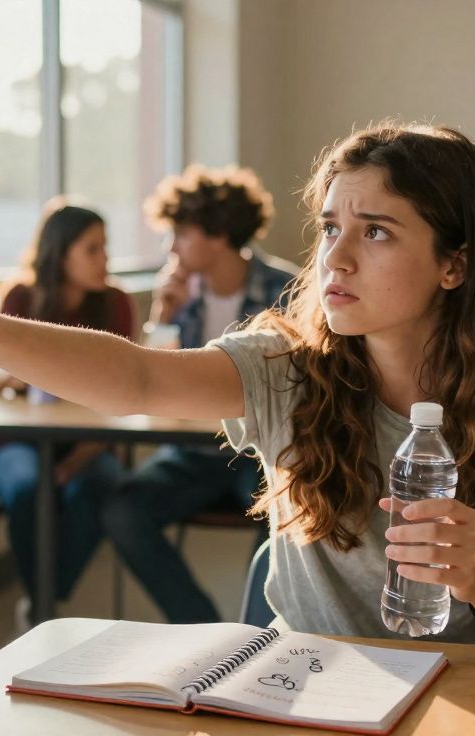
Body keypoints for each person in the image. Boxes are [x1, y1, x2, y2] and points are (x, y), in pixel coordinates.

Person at [0, 121, 475, 650]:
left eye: (375, 231)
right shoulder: (290, 368)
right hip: (307, 695)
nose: (335, 259)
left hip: (468, 701)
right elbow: (140, 375)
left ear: (455, 263)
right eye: (329, 227)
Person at [101, 164, 296, 623]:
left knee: (285, 513)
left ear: (219, 234)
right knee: (123, 509)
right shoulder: (180, 293)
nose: (172, 248)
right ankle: (204, 630)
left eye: (181, 233)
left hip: (260, 453)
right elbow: (152, 384)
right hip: (194, 452)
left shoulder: (286, 290)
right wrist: (162, 313)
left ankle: (259, 636)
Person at [0, 202, 136, 614]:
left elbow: (126, 387)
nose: (105, 260)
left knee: (100, 485)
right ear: (61, 252)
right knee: (29, 489)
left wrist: (75, 461)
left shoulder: (115, 303)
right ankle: (44, 606)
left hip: (93, 441)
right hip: (21, 441)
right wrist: (24, 373)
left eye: (106, 248)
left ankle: (42, 603)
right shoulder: (21, 296)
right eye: (92, 249)